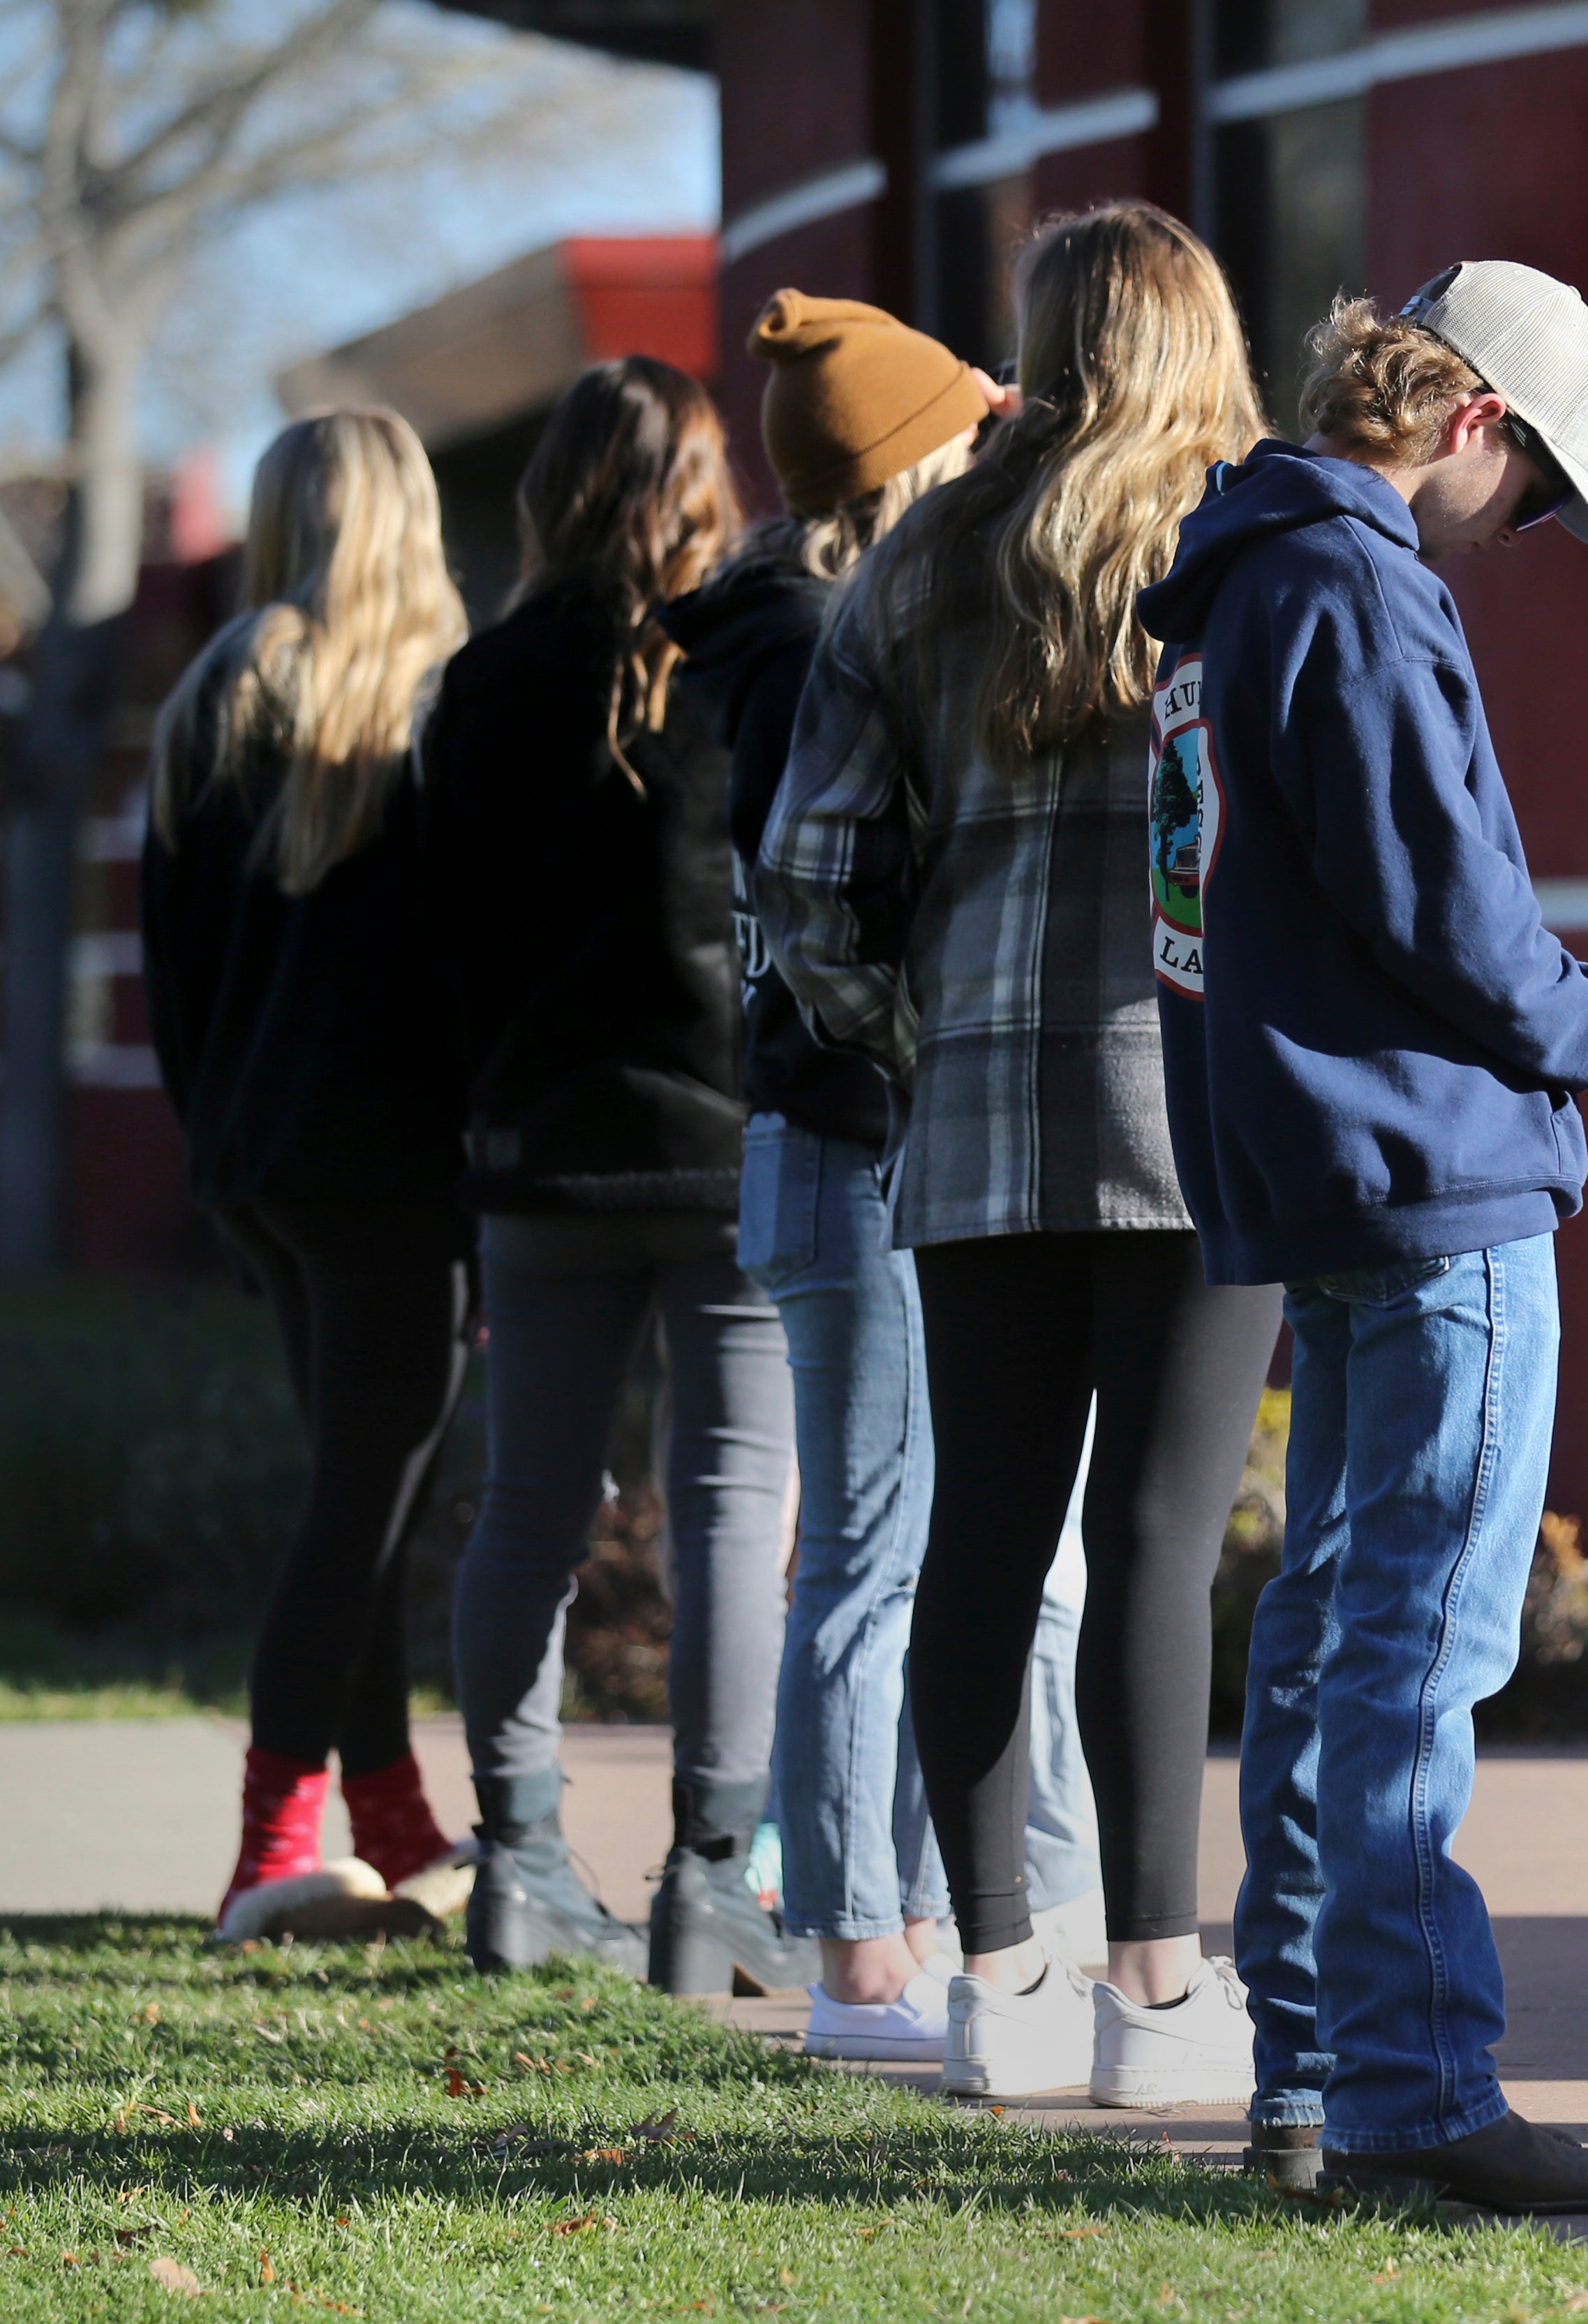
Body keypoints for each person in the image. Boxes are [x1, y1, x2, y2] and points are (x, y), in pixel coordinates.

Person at [1137, 264, 1588, 2214]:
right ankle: (1411, 2095)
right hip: (1434, 1186)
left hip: (1314, 1172)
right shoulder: (1358, 586)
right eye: (1538, 492)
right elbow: (1458, 928)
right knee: (1412, 1654)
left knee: (1323, 1636)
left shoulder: (1225, 585)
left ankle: (1307, 2079)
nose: (1524, 535)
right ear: (1470, 420)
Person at [759, 202, 1278, 2106]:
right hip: (1194, 1111)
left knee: (981, 1532)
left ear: (1046, 339)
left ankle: (1000, 1979)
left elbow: (806, 893)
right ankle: (1156, 1993)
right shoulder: (1249, 541)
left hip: (971, 1122)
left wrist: (923, 1041)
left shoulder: (915, 564)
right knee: (1154, 1542)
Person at [664, 289, 1107, 2060]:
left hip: (814, 1146)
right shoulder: (826, 643)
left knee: (890, 1554)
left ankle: (911, 1917)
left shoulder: (781, 628)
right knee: (885, 1558)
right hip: (866, 1143)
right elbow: (854, 903)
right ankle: (868, 1945)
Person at [421, 356, 801, 1985]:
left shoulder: (484, 679)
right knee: (728, 1512)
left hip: (535, 1158)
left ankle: (514, 1854)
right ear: (704, 486)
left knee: (528, 1508)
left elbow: (438, 952)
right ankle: (709, 1879)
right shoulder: (741, 667)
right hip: (725, 1153)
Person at [142, 409, 480, 1944]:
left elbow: (173, 970)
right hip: (396, 1173)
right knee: (360, 1501)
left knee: (369, 1498)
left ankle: (394, 1819)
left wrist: (214, 1145)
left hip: (261, 1167)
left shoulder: (211, 697)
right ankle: (269, 1841)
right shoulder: (431, 701)